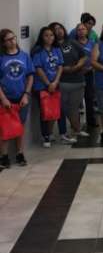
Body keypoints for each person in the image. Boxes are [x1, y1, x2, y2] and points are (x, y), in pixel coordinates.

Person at [0, 29, 34, 168]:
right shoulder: (1, 58)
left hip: (22, 98)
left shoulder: (24, 56)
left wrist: (26, 94)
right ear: (3, 43)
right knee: (4, 128)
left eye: (13, 38)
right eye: (8, 39)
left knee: (20, 126)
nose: (12, 41)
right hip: (6, 98)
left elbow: (30, 76)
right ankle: (4, 156)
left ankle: (20, 154)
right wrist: (3, 99)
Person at [50, 22, 88, 141]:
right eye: (55, 29)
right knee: (63, 108)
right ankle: (58, 133)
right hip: (62, 82)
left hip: (78, 80)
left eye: (60, 28)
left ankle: (77, 130)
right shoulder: (52, 47)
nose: (59, 31)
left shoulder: (72, 41)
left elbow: (84, 56)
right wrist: (63, 69)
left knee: (74, 107)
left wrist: (77, 66)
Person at [31, 27, 64, 147]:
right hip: (42, 86)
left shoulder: (56, 49)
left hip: (55, 84)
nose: (49, 38)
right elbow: (38, 68)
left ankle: (50, 133)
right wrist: (48, 83)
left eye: (51, 35)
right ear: (41, 37)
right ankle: (45, 136)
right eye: (46, 35)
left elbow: (60, 66)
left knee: (54, 110)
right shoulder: (38, 51)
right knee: (45, 112)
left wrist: (55, 82)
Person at [74, 23, 97, 129]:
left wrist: (90, 68)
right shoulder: (73, 44)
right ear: (76, 32)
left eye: (83, 29)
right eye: (79, 29)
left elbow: (95, 58)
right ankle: (76, 124)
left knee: (89, 98)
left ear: (87, 31)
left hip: (89, 73)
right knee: (77, 100)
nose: (81, 31)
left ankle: (91, 121)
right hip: (77, 74)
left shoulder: (92, 43)